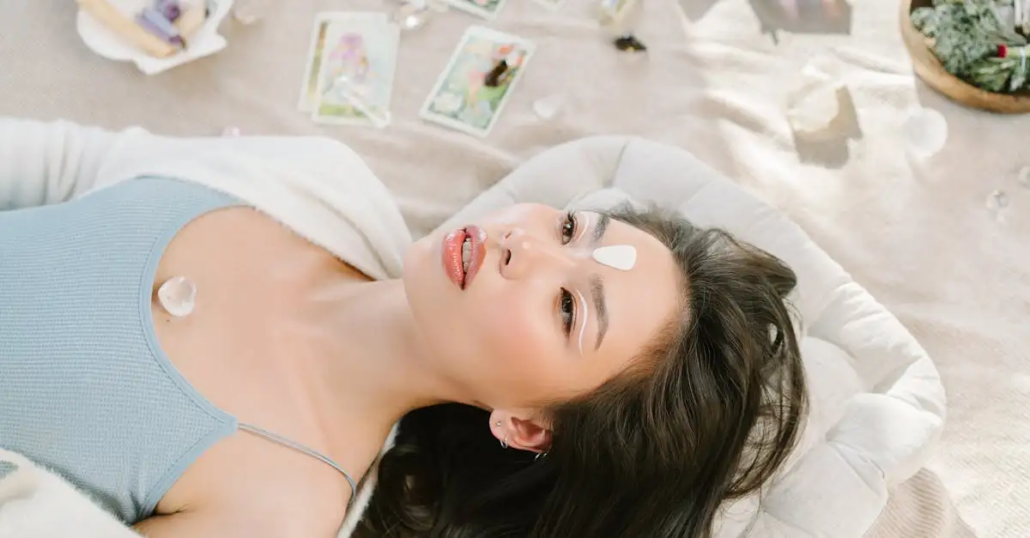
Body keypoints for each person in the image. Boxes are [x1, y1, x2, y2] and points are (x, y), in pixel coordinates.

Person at [0, 118, 807, 538]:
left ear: (527, 426)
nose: (524, 246)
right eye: (568, 229)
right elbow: (67, 163)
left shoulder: (277, 512)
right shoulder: (323, 181)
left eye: (568, 308)